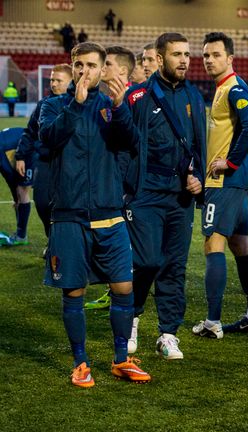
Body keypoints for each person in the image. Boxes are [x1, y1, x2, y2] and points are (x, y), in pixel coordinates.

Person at [38, 42, 151, 387]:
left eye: (91, 65)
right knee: (73, 292)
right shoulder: (53, 106)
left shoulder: (111, 106)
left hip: (110, 214)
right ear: (72, 68)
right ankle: (81, 362)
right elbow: (49, 139)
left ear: (104, 70)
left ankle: (120, 359)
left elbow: (131, 142)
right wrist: (77, 104)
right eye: (78, 65)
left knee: (124, 286)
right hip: (69, 216)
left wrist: (119, 107)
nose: (84, 71)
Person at [122, 33, 206, 360]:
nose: (184, 60)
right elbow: (125, 147)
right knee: (146, 261)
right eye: (176, 55)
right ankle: (132, 316)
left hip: (179, 198)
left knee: (174, 266)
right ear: (159, 59)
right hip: (144, 195)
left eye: (187, 54)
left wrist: (198, 175)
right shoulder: (137, 96)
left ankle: (168, 334)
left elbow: (199, 145)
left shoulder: (195, 97)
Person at [190, 32, 248, 338]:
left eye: (216, 54)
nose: (209, 60)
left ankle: (212, 322)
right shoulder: (222, 88)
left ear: (230, 58)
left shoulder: (235, 88)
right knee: (239, 244)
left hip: (225, 182)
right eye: (206, 55)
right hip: (234, 183)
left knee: (213, 243)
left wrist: (229, 162)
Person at [83, 45, 136, 310]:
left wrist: (126, 183)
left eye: (107, 65)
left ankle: (127, 300)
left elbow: (131, 145)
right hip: (109, 186)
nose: (101, 69)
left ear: (122, 71)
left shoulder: (131, 100)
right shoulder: (104, 99)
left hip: (125, 186)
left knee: (129, 251)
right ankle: (113, 290)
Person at [14, 64, 73, 253]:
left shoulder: (79, 104)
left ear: (71, 82)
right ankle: (52, 239)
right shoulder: (44, 104)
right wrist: (21, 156)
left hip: (71, 162)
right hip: (46, 162)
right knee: (41, 202)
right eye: (52, 80)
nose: (53, 84)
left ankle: (72, 246)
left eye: (58, 80)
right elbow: (30, 132)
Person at [0, 127, 30, 246]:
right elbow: (7, 174)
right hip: (23, 143)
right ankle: (20, 234)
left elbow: (9, 174)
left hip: (29, 148)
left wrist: (16, 198)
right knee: (18, 193)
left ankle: (21, 236)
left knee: (22, 191)